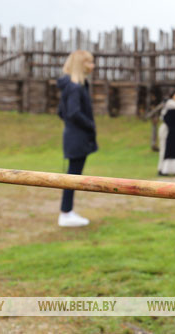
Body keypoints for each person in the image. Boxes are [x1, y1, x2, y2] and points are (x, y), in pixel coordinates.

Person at [56, 49, 97, 227]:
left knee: (73, 175)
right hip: (77, 138)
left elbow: (61, 112)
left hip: (74, 136)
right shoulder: (74, 87)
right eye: (89, 62)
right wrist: (89, 124)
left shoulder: (75, 85)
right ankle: (66, 213)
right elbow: (72, 112)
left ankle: (67, 211)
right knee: (72, 177)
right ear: (81, 65)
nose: (92, 66)